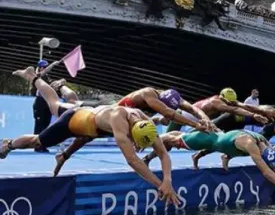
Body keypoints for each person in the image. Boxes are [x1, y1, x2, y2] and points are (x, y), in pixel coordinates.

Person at [1, 69, 180, 206]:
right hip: (75, 120)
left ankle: (41, 80)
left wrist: (167, 180)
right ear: (131, 133)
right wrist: (159, 185)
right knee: (39, 135)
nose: (135, 146)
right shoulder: (119, 122)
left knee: (70, 103)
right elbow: (133, 160)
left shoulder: (144, 121)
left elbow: (163, 153)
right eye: (135, 143)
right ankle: (9, 144)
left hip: (93, 117)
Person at [159, 130, 275, 204]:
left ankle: (226, 157)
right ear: (263, 155)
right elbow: (267, 172)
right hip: (212, 140)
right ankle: (153, 141)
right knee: (175, 139)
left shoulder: (267, 145)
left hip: (227, 144)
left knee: (241, 152)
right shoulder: (252, 146)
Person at [118, 87, 211, 132]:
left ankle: (157, 120)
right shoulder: (147, 93)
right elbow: (168, 113)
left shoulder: (173, 97)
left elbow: (193, 109)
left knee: (167, 121)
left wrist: (205, 118)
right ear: (161, 102)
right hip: (117, 115)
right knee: (170, 116)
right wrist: (195, 125)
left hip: (135, 118)